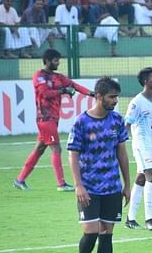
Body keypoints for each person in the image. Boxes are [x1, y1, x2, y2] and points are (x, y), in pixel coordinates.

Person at [68, 77, 131, 253]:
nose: (115, 101)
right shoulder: (81, 122)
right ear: (99, 96)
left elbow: (122, 153)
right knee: (91, 231)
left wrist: (127, 185)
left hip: (112, 187)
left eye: (117, 97)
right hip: (89, 188)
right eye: (112, 97)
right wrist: (78, 185)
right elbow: (73, 155)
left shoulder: (117, 120)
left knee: (107, 233)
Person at [13, 49, 94, 192]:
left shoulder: (58, 77)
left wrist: (91, 93)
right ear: (48, 61)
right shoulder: (39, 76)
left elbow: (74, 85)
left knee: (39, 149)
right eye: (56, 60)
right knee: (56, 148)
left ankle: (20, 180)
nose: (58, 63)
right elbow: (45, 93)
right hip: (45, 118)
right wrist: (63, 91)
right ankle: (61, 184)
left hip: (52, 119)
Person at [125, 67, 152, 231]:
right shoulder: (137, 102)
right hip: (140, 144)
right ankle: (149, 218)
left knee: (141, 179)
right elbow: (127, 124)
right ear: (146, 81)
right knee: (151, 175)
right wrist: (127, 142)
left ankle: (130, 218)